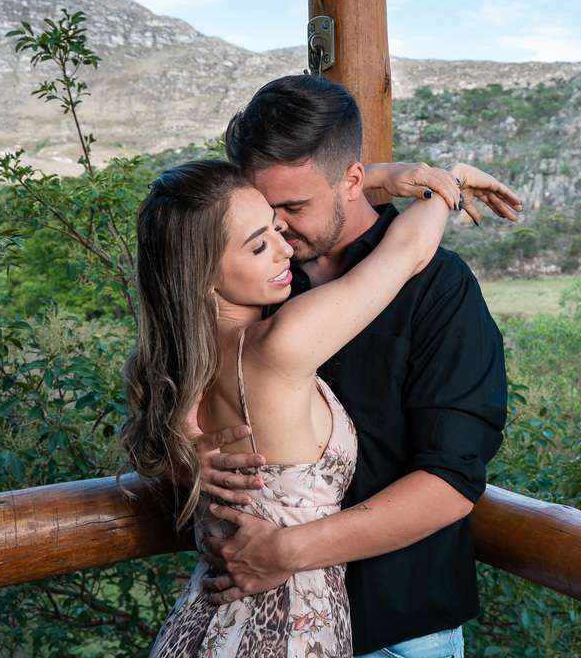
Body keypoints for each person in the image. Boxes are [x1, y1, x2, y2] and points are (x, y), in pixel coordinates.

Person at [193, 75, 514, 658]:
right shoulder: (255, 284)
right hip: (262, 620)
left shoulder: (437, 287)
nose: (280, 230)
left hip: (396, 628)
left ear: (352, 179)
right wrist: (186, 453)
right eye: (266, 212)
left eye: (294, 206)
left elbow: (451, 482)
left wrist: (285, 551)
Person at [122, 158, 457, 657]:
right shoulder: (279, 344)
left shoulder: (176, 368)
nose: (286, 249)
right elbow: (408, 250)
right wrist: (449, 180)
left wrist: (371, 177)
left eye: (278, 228)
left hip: (201, 627)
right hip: (282, 634)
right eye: (258, 245)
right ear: (205, 277)